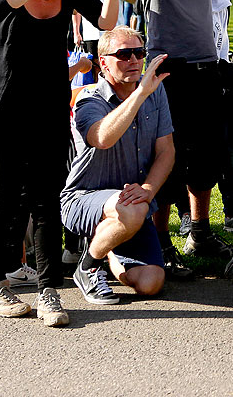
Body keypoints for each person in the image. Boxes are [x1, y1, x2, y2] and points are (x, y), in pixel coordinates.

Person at [0, 0, 120, 326]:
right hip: (1, 105)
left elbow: (107, 23)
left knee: (45, 199)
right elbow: (10, 1)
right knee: (4, 199)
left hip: (49, 105)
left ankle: (47, 291)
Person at [124, 0, 233, 270]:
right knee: (168, 157)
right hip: (167, 70)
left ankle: (200, 231)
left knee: (207, 155)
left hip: (205, 67)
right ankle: (161, 240)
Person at [61, 27, 173, 305]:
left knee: (151, 283)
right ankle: (87, 266)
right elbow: (103, 138)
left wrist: (148, 189)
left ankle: (105, 245)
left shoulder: (155, 93)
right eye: (123, 54)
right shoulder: (90, 98)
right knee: (134, 208)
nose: (134, 60)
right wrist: (140, 95)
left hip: (130, 202)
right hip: (83, 199)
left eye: (139, 53)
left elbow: (166, 151)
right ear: (103, 61)